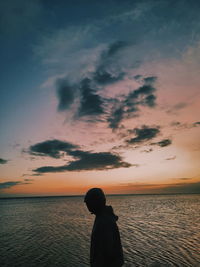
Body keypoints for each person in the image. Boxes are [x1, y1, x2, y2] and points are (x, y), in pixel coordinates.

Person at [84, 188, 124, 267]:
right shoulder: (102, 217)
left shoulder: (104, 221)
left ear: (96, 202)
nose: (87, 205)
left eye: (88, 202)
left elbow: (107, 251)